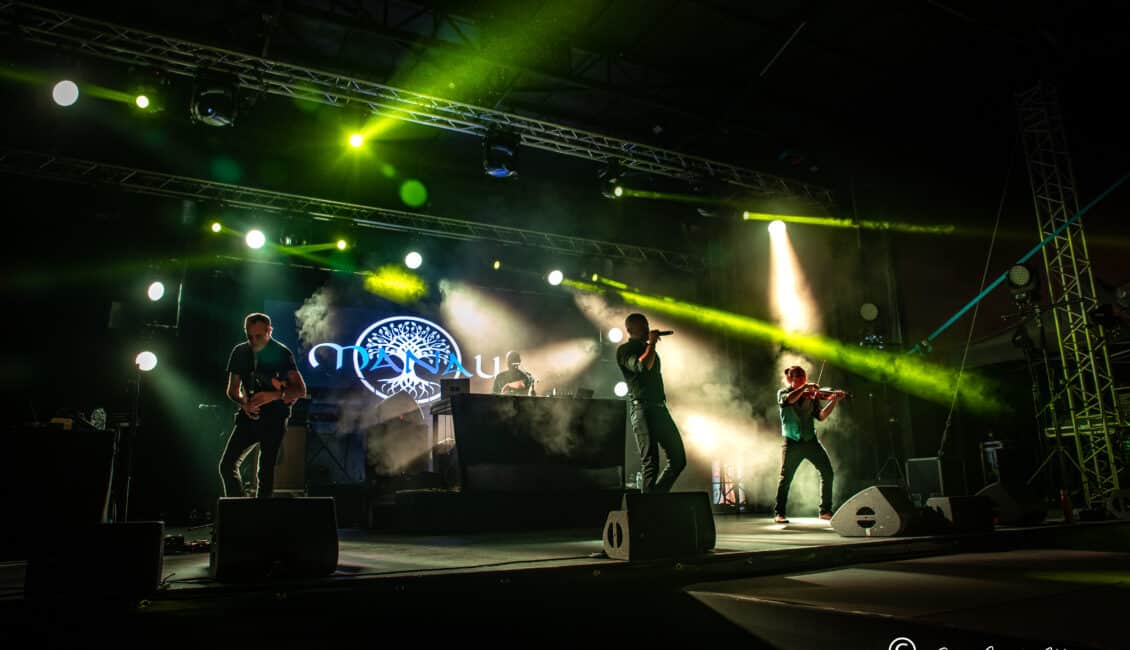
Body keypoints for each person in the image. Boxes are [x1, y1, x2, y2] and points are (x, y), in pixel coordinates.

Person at [219, 312, 306, 498]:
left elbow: (300, 390)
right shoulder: (240, 352)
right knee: (226, 465)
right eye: (249, 336)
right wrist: (244, 403)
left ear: (269, 331)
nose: (253, 341)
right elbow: (232, 390)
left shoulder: (282, 353)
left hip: (274, 419)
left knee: (265, 471)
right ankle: (237, 509)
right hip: (249, 416)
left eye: (258, 336)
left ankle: (261, 512)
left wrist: (272, 395)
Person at [616, 313, 686, 493]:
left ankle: (655, 499)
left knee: (678, 459)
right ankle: (647, 506)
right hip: (642, 410)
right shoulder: (625, 350)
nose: (646, 329)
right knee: (651, 464)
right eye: (641, 326)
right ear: (630, 329)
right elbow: (641, 366)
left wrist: (650, 346)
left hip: (660, 409)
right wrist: (652, 344)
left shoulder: (648, 349)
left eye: (646, 324)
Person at [774, 365, 844, 523]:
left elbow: (821, 416)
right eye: (797, 376)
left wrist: (833, 401)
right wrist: (805, 387)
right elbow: (789, 400)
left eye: (803, 376)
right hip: (792, 441)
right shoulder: (783, 393)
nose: (801, 379)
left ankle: (825, 511)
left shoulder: (812, 396)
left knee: (827, 472)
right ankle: (779, 513)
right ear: (790, 379)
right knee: (786, 478)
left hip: (810, 440)